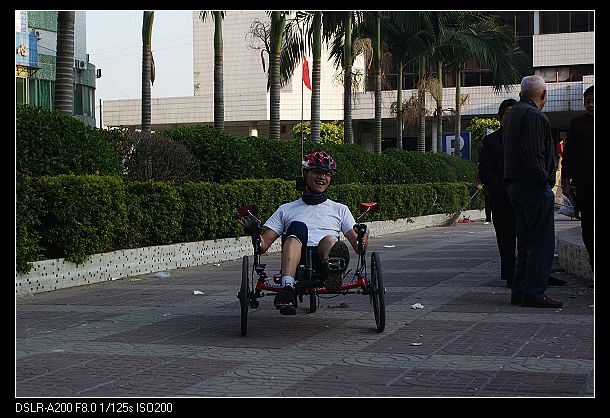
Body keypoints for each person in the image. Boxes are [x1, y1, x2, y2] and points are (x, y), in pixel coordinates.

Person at [240, 151, 367, 315]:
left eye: (327, 174)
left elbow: (359, 247)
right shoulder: (286, 209)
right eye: (317, 172)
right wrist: (254, 231)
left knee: (329, 240)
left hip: (324, 260)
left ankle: (334, 273)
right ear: (305, 174)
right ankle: (287, 289)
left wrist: (363, 235)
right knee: (297, 228)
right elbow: (263, 246)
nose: (322, 177)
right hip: (295, 259)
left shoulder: (340, 209)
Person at [503, 75, 562, 308]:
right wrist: (545, 179)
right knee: (541, 242)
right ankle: (534, 292)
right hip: (533, 185)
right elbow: (534, 155)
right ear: (543, 94)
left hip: (514, 185)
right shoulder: (534, 116)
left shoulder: (513, 114)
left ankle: (520, 291)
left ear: (521, 93)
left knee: (525, 241)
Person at [478, 98, 517, 287]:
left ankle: (534, 273)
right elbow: (485, 170)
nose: (510, 118)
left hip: (524, 196)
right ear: (501, 118)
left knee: (530, 239)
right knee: (506, 239)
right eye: (507, 114)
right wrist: (502, 188)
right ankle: (510, 276)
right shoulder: (491, 141)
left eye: (513, 115)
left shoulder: (525, 138)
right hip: (501, 197)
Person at [561, 85, 594, 278]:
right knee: (588, 229)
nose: (590, 105)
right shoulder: (577, 124)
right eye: (587, 101)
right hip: (586, 185)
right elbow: (569, 154)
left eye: (593, 101)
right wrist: (565, 179)